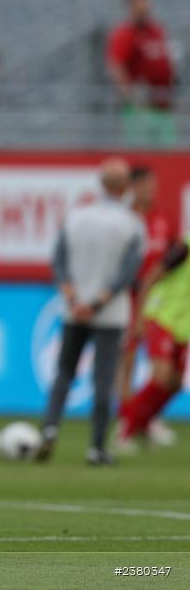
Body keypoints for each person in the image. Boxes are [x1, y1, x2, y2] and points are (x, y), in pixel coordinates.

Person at [36, 158, 145, 466]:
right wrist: (97, 303)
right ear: (125, 186)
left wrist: (74, 299)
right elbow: (128, 272)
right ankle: (96, 447)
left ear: (100, 184)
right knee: (102, 379)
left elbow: (58, 261)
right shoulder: (132, 223)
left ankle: (50, 428)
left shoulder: (76, 216)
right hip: (109, 313)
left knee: (65, 372)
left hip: (75, 310)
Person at [114, 166, 178, 446]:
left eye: (153, 186)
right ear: (133, 188)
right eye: (145, 186)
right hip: (129, 296)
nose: (151, 191)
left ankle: (148, 419)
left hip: (159, 301)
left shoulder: (163, 218)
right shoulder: (124, 220)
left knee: (160, 367)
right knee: (126, 361)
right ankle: (124, 419)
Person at [117, 234, 190, 451]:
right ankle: (126, 429)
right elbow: (152, 276)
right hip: (162, 316)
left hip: (182, 325)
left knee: (175, 383)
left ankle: (144, 423)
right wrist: (140, 315)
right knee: (161, 375)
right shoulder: (184, 248)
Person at [107, 0, 177, 146]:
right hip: (141, 107)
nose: (144, 9)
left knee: (169, 155)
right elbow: (117, 65)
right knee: (143, 154)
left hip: (163, 105)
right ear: (131, 7)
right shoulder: (125, 34)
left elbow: (164, 62)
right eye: (140, 6)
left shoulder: (156, 30)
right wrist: (131, 96)